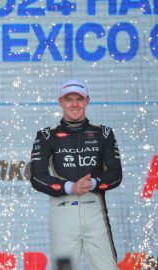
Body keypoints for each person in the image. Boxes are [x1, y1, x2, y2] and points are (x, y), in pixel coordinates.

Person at [30, 79, 122, 270]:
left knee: (106, 267)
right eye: (69, 99)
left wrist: (94, 183)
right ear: (60, 102)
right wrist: (70, 187)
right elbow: (36, 176)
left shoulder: (103, 133)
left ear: (87, 100)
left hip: (95, 210)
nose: (74, 104)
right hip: (63, 212)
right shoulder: (47, 135)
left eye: (79, 99)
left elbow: (116, 174)